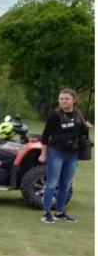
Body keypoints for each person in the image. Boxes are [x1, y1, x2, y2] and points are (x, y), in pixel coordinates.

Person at [40, 89, 93, 224]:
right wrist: (43, 153)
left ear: (73, 100)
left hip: (72, 154)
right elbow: (45, 136)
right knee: (52, 183)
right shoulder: (55, 116)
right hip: (56, 152)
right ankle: (46, 213)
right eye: (61, 99)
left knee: (66, 184)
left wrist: (87, 127)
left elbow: (82, 132)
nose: (63, 101)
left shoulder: (78, 114)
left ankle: (60, 212)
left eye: (66, 98)